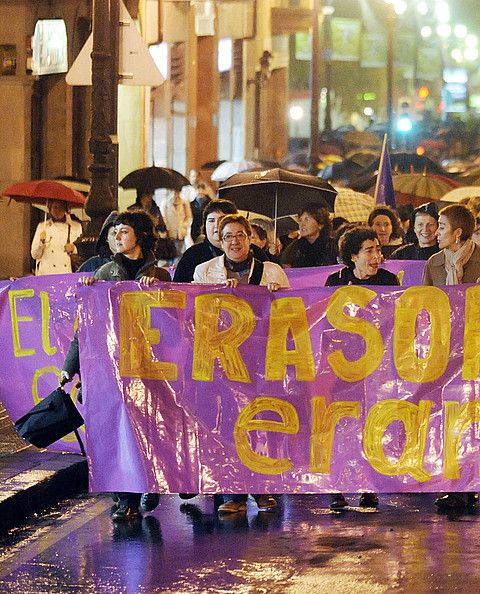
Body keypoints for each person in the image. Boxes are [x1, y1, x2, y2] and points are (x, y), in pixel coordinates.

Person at [66, 210, 171, 521]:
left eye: (123, 231)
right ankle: (122, 499)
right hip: (112, 369)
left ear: (139, 235)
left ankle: (149, 485)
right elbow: (84, 326)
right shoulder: (99, 274)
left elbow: (177, 326)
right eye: (113, 232)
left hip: (150, 369)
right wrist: (70, 366)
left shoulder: (161, 276)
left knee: (148, 430)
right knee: (117, 430)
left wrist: (158, 291)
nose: (116, 237)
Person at [193, 214, 289, 518]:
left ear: (251, 238)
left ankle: (262, 488)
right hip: (223, 362)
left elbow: (292, 311)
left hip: (262, 360)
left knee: (261, 420)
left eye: (240, 235)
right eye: (228, 236)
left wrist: (277, 295)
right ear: (220, 241)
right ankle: (231, 491)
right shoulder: (205, 271)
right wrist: (220, 294)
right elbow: (194, 311)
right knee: (228, 424)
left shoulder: (271, 270)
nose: (235, 241)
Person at [422, 204, 480, 514]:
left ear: (457, 233)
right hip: (445, 353)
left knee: (473, 416)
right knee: (447, 417)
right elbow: (423, 306)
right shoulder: (433, 264)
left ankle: (471, 483)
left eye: (441, 227)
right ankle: (452, 483)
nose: (435, 232)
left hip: (477, 352)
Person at [324, 225, 399, 511]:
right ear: (352, 256)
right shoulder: (336, 281)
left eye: (378, 250)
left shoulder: (389, 281)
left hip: (377, 369)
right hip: (343, 370)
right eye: (369, 251)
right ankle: (339, 488)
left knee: (372, 425)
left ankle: (369, 486)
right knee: (343, 428)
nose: (376, 256)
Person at [173, 199, 242, 282]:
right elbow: (178, 289)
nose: (216, 225)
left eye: (222, 219)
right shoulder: (192, 256)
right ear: (205, 225)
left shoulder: (252, 253)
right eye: (211, 220)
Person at [31, 199, 84, 275]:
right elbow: (34, 255)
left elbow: (83, 251)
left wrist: (74, 248)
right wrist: (41, 242)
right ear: (50, 208)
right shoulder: (42, 226)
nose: (58, 210)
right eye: (55, 207)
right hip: (46, 274)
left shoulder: (76, 227)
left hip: (66, 274)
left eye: (61, 207)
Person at [280, 203, 338, 268]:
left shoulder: (333, 246)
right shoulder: (294, 248)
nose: (302, 224)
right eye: (300, 220)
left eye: (307, 219)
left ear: (320, 224)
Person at [160, 188, 192, 262]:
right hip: (170, 233)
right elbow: (163, 218)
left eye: (177, 192)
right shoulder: (165, 203)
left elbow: (189, 216)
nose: (175, 194)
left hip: (181, 232)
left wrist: (184, 226)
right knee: (170, 253)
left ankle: (176, 269)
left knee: (180, 253)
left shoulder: (184, 202)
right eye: (174, 192)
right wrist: (166, 229)